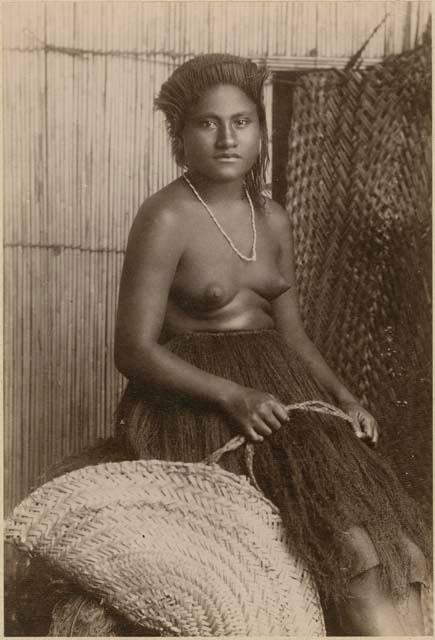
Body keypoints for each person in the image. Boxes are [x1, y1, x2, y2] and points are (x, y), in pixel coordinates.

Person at [7, 53, 429, 637]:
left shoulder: (273, 219)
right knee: (345, 548)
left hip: (287, 396)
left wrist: (345, 398)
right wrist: (233, 396)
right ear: (180, 136)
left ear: (260, 130)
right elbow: (132, 351)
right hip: (203, 400)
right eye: (208, 123)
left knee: (394, 552)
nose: (227, 138)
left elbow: (292, 333)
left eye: (242, 121)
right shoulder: (166, 216)